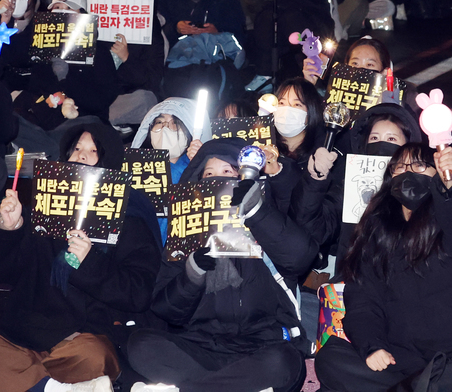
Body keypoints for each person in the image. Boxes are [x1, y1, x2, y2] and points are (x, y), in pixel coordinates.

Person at [0, 118, 162, 392]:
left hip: (85, 335)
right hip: (27, 334)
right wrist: (7, 227)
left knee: (94, 356)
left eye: (94, 151)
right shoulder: (42, 209)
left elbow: (138, 292)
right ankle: (51, 386)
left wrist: (90, 261)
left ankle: (32, 383)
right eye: (76, 149)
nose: (81, 155)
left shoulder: (129, 218)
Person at [127, 138, 316, 392]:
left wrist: (256, 212)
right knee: (141, 346)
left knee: (284, 362)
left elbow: (301, 257)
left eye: (228, 172)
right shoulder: (185, 234)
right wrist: (192, 273)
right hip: (202, 346)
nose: (218, 181)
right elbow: (165, 309)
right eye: (209, 174)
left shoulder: (267, 218)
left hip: (262, 346)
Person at [315, 142, 452, 392]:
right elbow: (362, 301)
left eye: (419, 165)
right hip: (402, 358)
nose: (407, 171)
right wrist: (372, 346)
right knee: (331, 359)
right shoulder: (374, 231)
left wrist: (449, 186)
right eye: (399, 167)